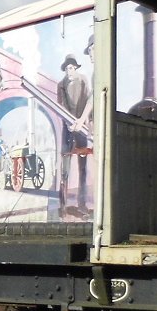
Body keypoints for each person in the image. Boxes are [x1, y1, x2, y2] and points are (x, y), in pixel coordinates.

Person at [57, 54, 92, 211]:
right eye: (66, 69)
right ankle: (63, 204)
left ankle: (82, 204)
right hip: (68, 127)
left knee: (82, 166)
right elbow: (61, 106)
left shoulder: (84, 80)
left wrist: (84, 122)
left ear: (76, 68)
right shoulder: (61, 84)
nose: (69, 71)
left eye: (71, 68)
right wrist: (68, 123)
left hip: (81, 128)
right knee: (65, 164)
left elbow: (89, 102)